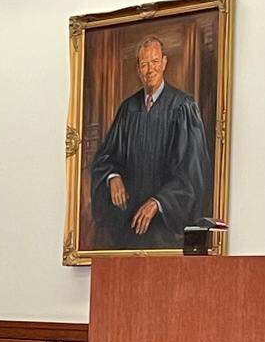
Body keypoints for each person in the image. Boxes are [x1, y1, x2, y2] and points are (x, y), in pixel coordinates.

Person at [89, 36, 214, 249]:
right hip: (128, 225)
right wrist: (113, 176)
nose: (150, 70)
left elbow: (193, 172)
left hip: (166, 229)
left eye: (155, 62)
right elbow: (105, 155)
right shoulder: (128, 109)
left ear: (164, 63)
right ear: (138, 68)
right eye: (144, 64)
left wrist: (159, 202)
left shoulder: (183, 107)